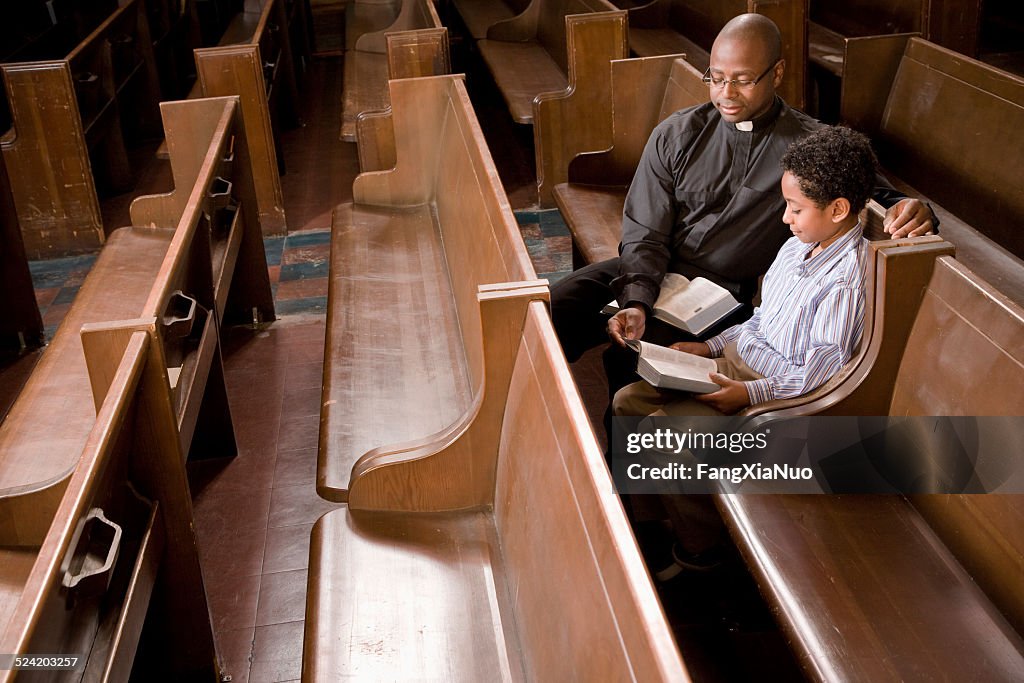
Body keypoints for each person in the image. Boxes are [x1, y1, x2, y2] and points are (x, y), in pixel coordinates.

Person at [550, 13, 935, 427]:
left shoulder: (809, 145)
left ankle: (621, 477)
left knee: (631, 361)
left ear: (777, 73)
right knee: (558, 304)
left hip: (724, 295)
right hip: (658, 269)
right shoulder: (677, 134)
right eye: (715, 78)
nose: (726, 93)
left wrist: (915, 209)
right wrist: (638, 300)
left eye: (743, 79)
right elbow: (644, 233)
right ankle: (543, 425)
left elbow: (874, 193)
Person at [616, 124, 878, 577]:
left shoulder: (845, 280)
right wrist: (709, 346)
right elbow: (760, 318)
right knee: (627, 402)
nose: (785, 218)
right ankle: (659, 519)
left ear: (837, 209)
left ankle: (702, 552)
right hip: (738, 364)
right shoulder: (800, 247)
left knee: (663, 440)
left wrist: (748, 396)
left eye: (795, 209)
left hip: (779, 398)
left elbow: (823, 376)